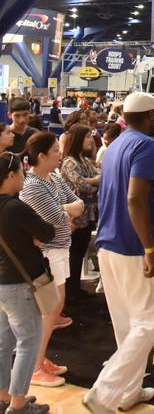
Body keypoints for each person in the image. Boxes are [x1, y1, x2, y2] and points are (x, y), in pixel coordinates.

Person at [83, 93, 154, 414]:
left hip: (108, 244)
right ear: (148, 116)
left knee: (126, 325)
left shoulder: (115, 145)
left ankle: (127, 391)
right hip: (134, 248)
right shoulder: (145, 146)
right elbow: (135, 199)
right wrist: (149, 247)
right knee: (148, 321)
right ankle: (105, 391)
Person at [19, 133, 83, 388]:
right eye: (55, 150)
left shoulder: (54, 178)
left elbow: (76, 202)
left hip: (59, 249)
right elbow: (57, 217)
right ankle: (35, 367)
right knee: (49, 309)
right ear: (42, 156)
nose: (60, 154)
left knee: (54, 308)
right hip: (46, 254)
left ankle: (39, 358)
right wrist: (66, 212)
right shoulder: (32, 185)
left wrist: (66, 211)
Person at [0, 151, 54, 414]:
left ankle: (4, 397)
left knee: (4, 342)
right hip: (19, 282)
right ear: (10, 176)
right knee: (29, 342)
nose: (24, 177)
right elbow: (48, 231)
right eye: (20, 173)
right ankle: (18, 404)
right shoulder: (14, 207)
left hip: (2, 283)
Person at [58, 124, 100, 304]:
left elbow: (96, 179)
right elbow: (83, 185)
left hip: (87, 213)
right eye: (87, 137)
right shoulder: (69, 162)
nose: (90, 141)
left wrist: (94, 180)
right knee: (73, 254)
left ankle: (75, 288)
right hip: (76, 216)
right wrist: (95, 180)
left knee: (80, 252)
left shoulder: (83, 160)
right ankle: (70, 291)